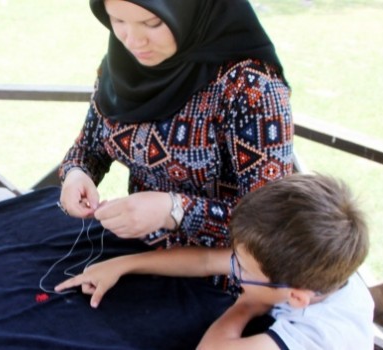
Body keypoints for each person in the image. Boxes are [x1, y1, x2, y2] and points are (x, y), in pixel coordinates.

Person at [58, 0, 294, 284]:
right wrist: (76, 174)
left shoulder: (251, 87)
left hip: (226, 280)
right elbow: (89, 147)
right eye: (117, 21)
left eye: (152, 23)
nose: (133, 40)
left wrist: (174, 210)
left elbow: (270, 222)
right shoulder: (119, 65)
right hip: (134, 253)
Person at [56, 173, 373, 349]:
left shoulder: (321, 336)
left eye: (244, 271)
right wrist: (124, 264)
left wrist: (246, 305)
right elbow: (208, 260)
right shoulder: (307, 268)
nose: (236, 271)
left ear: (296, 297)